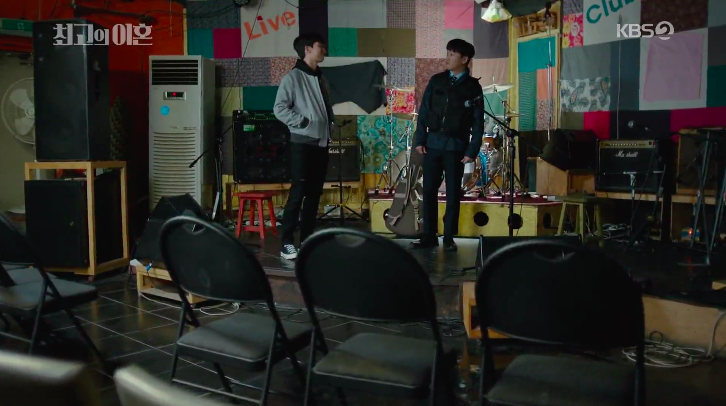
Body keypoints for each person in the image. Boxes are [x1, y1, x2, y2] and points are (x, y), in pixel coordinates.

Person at [412, 39, 484, 252]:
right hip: (433, 144)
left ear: (465, 59)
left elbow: (478, 122)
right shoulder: (437, 81)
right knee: (428, 191)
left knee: (453, 193)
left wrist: (472, 150)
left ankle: (450, 237)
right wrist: (419, 140)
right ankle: (429, 235)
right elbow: (424, 111)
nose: (448, 57)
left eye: (453, 54)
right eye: (448, 53)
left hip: (456, 146)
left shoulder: (473, 87)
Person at [273, 32, 334, 260]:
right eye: (320, 46)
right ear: (307, 49)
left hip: (321, 143)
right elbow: (279, 109)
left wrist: (331, 125)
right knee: (298, 192)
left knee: (314, 195)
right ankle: (286, 243)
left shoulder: (321, 77)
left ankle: (308, 240)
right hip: (302, 144)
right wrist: (303, 122)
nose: (324, 50)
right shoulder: (293, 78)